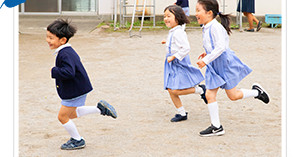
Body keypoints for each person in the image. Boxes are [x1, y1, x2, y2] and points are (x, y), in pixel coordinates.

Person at [195, 0, 270, 136]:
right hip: (214, 64)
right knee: (210, 94)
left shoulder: (215, 27)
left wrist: (206, 60)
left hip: (224, 64)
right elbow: (214, 46)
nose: (196, 14)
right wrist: (207, 53)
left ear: (209, 13)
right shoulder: (206, 26)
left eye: (198, 10)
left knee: (233, 96)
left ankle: (257, 93)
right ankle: (217, 126)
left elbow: (221, 47)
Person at [46, 19, 117, 150]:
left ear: (63, 40)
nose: (48, 40)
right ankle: (100, 109)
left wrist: (54, 71)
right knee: (71, 114)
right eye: (47, 37)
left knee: (62, 117)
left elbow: (69, 72)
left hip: (74, 90)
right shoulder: (66, 51)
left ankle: (77, 140)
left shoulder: (65, 53)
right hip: (78, 88)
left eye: (51, 38)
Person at [163, 5, 207, 122]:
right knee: (169, 88)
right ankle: (181, 112)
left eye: (169, 16)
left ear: (177, 18)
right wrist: (167, 42)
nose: (166, 19)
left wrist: (174, 56)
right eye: (165, 16)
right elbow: (175, 43)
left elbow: (186, 48)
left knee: (175, 90)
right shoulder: (174, 30)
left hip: (178, 63)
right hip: (172, 63)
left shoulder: (179, 32)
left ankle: (201, 90)